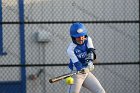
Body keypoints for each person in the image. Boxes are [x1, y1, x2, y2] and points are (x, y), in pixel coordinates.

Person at [66, 22, 105, 93]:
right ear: (73, 37)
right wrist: (83, 68)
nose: (81, 38)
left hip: (86, 73)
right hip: (76, 74)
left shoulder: (88, 39)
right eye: (78, 37)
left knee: (100, 91)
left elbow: (91, 52)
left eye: (82, 36)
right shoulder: (70, 49)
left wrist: (90, 63)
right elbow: (77, 64)